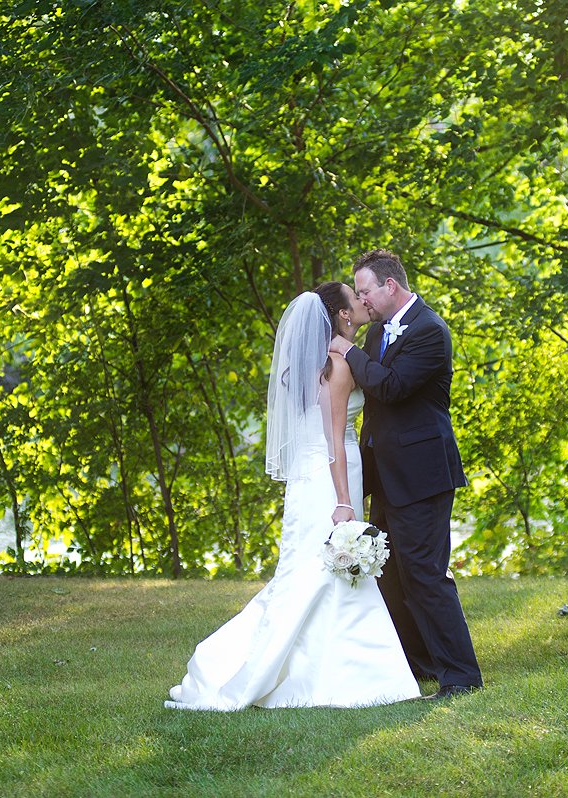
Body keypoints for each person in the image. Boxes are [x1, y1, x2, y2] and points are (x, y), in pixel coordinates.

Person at [165, 283, 421, 710]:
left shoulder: (314, 367)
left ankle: (344, 671)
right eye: (355, 298)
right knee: (322, 572)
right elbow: (334, 440)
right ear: (341, 315)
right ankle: (350, 675)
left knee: (318, 572)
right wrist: (344, 501)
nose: (363, 302)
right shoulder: (336, 368)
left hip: (314, 474)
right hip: (331, 476)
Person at [327, 249, 483, 699]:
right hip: (387, 476)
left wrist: (350, 351)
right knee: (392, 577)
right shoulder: (378, 333)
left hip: (422, 474)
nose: (362, 300)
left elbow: (391, 387)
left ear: (389, 286)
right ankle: (421, 664)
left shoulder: (430, 331)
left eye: (365, 290)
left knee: (426, 574)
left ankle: (461, 675)